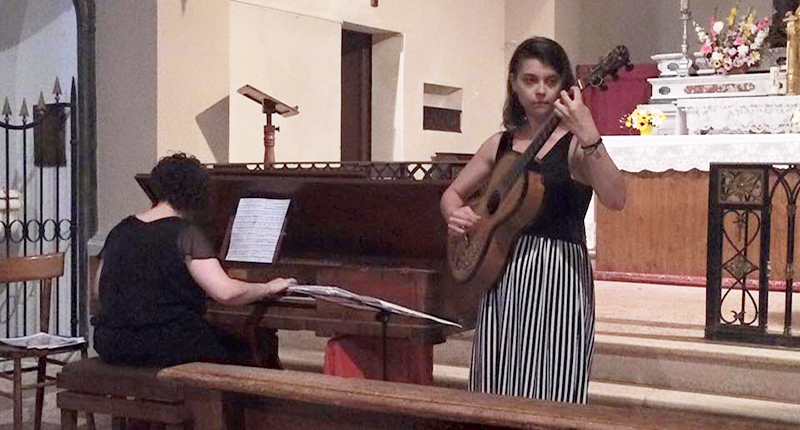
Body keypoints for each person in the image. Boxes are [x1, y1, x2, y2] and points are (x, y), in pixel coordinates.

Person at [440, 37, 626, 403]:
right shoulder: (500, 144)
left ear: (565, 85)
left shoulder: (574, 145)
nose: (541, 90)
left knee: (553, 384)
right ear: (513, 82)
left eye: (551, 80)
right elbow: (451, 195)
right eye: (530, 80)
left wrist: (589, 134)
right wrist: (453, 214)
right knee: (496, 382)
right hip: (501, 271)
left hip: (558, 276)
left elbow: (617, 199)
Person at [91, 153, 297, 367]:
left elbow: (98, 290)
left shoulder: (121, 229)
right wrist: (268, 287)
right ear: (197, 193)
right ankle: (248, 401)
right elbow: (227, 293)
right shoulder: (185, 234)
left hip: (112, 343)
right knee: (250, 350)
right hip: (164, 344)